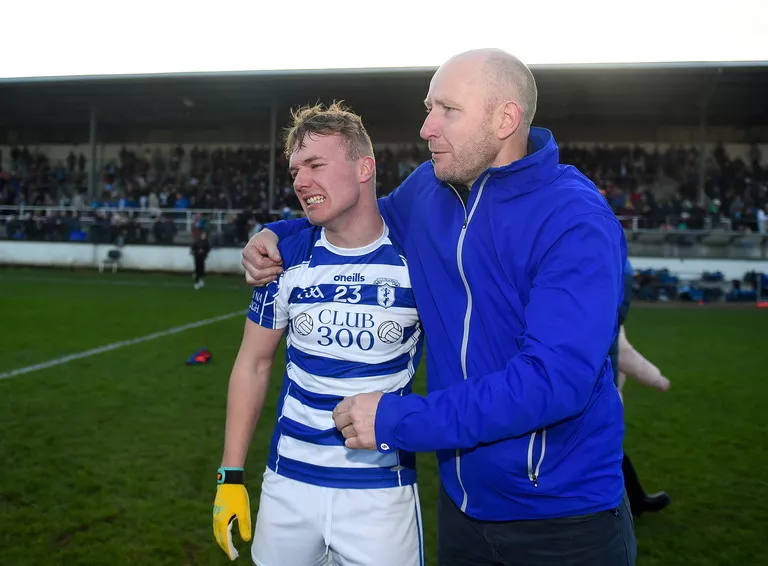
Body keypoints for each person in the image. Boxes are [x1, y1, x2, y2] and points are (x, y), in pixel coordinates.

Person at [242, 49, 636, 565]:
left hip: (562, 522)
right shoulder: (431, 190)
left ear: (505, 119)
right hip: (462, 510)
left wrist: (400, 421)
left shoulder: (574, 219)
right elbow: (362, 218)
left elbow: (552, 381)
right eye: (428, 108)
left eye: (447, 110)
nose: (426, 127)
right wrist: (277, 235)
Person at [212, 102, 425, 566]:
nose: (301, 181)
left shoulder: (418, 262)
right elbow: (253, 362)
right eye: (294, 172)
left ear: (364, 167)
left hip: (380, 495)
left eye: (315, 165)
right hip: (288, 487)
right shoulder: (284, 260)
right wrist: (230, 476)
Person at [615, 259, 672, 517]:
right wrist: (656, 378)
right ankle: (633, 502)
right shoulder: (604, 311)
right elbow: (625, 355)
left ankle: (635, 500)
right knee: (608, 454)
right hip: (595, 402)